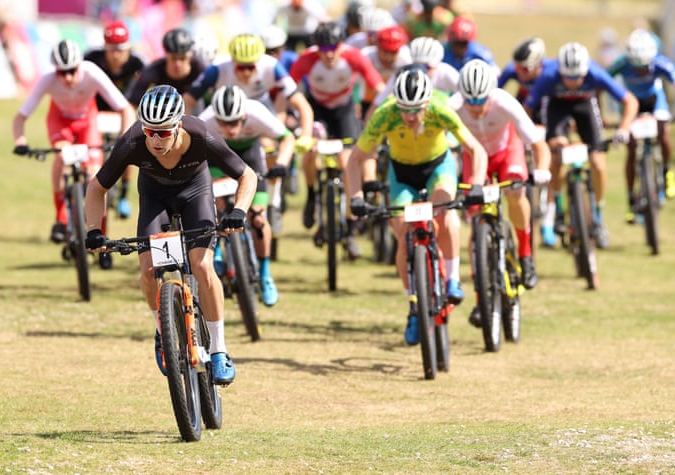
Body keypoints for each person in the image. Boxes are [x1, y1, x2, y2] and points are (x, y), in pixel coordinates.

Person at [83, 85, 258, 384]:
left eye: (163, 132)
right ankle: (162, 332)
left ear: (178, 125)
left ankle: (218, 350)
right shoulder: (132, 141)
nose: (155, 139)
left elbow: (247, 175)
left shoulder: (200, 134)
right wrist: (93, 231)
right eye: (150, 131)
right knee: (150, 269)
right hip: (155, 198)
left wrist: (239, 211)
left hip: (196, 192)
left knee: (202, 265)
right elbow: (96, 188)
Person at [346, 68, 487, 345]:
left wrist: (478, 183)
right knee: (402, 233)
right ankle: (414, 304)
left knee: (444, 215)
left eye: (416, 110)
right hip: (402, 175)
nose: (410, 117)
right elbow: (355, 160)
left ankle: (453, 280)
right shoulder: (384, 114)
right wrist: (356, 197)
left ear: (427, 103)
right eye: (404, 110)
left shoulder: (440, 109)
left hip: (438, 168)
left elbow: (476, 149)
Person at [448, 59, 551, 326]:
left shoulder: (504, 101)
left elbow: (539, 144)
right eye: (470, 101)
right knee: (475, 219)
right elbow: (441, 146)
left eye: (480, 100)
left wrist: (541, 170)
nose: (475, 107)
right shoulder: (454, 107)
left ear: (490, 94)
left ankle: (526, 255)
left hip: (507, 153)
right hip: (475, 158)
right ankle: (481, 299)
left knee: (516, 192)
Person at [12, 39, 136, 247]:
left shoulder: (91, 72)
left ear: (80, 65)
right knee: (62, 156)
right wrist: (20, 141)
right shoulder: (48, 80)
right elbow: (20, 117)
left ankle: (101, 230)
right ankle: (60, 217)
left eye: (72, 70)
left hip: (88, 121)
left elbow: (126, 109)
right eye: (62, 72)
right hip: (60, 122)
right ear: (56, 71)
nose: (68, 77)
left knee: (96, 173)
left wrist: (124, 139)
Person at [525, 42, 639, 249]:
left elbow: (630, 101)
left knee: (598, 162)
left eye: (577, 77)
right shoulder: (548, 76)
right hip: (557, 108)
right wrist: (532, 132)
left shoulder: (595, 73)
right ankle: (557, 209)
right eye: (567, 77)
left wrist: (623, 128)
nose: (572, 82)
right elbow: (527, 108)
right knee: (557, 153)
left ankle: (598, 216)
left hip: (585, 107)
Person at [290, 21, 386, 259]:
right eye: (323, 48)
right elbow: (288, 89)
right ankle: (312, 195)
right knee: (310, 151)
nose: (329, 53)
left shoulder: (355, 57)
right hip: (317, 110)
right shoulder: (306, 59)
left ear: (342, 45)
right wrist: (292, 118)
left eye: (334, 46)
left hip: (344, 111)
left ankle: (351, 232)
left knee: (347, 163)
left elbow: (379, 87)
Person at [198, 86, 296, 307]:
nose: (230, 128)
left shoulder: (257, 112)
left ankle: (264, 273)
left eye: (234, 122)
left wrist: (281, 163)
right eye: (223, 122)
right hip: (217, 158)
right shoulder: (205, 120)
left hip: (250, 158)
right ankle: (217, 251)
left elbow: (287, 138)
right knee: (215, 206)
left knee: (259, 218)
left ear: (244, 115)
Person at [182, 33, 314, 153]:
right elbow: (188, 100)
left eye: (251, 67)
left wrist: (306, 135)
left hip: (261, 103)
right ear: (232, 61)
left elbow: (301, 104)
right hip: (226, 109)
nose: (246, 72)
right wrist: (188, 130)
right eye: (241, 67)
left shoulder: (272, 66)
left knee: (269, 144)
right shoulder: (217, 69)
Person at [606, 28, 675, 223]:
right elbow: (602, 82)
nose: (641, 70)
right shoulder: (621, 63)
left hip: (655, 99)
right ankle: (631, 198)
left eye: (645, 67)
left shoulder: (659, 62)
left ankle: (666, 173)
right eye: (636, 67)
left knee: (663, 133)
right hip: (631, 103)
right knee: (630, 148)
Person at [85, 20, 146, 220]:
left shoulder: (137, 63)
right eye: (111, 49)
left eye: (120, 49)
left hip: (125, 111)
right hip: (97, 110)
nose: (116, 55)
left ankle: (123, 194)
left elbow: (144, 90)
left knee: (129, 145)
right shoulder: (92, 59)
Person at [126, 27, 206, 114]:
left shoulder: (200, 69)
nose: (178, 64)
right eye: (173, 58)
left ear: (190, 56)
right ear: (166, 56)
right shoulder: (152, 72)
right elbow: (132, 105)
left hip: (194, 110)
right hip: (163, 111)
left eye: (182, 58)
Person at [498, 37, 550, 125]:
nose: (520, 72)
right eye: (517, 67)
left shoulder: (548, 74)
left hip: (544, 105)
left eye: (525, 69)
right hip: (523, 99)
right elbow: (494, 92)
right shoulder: (511, 69)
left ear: (538, 64)